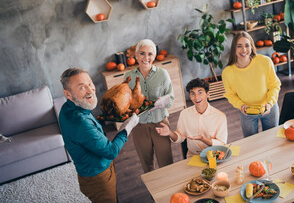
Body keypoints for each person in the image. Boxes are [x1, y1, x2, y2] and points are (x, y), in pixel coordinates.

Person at [59, 68, 139, 203]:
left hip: (89, 173)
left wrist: (104, 118)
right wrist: (127, 127)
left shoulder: (68, 108)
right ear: (68, 93)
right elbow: (111, 151)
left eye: (90, 83)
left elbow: (87, 131)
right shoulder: (80, 123)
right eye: (82, 87)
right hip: (98, 178)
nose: (90, 90)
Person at [124, 39, 174, 173]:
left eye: (150, 54)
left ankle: (170, 193)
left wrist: (162, 102)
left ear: (155, 56)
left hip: (160, 124)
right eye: (142, 53)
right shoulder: (129, 76)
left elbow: (171, 99)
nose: (146, 58)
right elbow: (126, 101)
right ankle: (154, 194)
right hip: (139, 127)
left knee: (167, 164)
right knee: (147, 167)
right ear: (136, 55)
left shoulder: (162, 74)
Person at [222, 31, 281, 137]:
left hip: (269, 108)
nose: (244, 50)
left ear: (251, 46)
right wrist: (240, 105)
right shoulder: (228, 72)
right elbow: (230, 94)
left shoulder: (265, 61)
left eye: (247, 45)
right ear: (234, 49)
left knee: (271, 139)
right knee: (251, 143)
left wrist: (270, 103)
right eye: (239, 46)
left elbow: (275, 85)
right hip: (247, 112)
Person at [155, 78, 227, 158]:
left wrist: (203, 139)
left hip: (214, 156)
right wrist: (170, 133)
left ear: (208, 94)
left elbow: (222, 144)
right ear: (190, 96)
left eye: (200, 93)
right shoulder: (184, 114)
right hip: (193, 157)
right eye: (193, 94)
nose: (196, 97)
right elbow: (180, 137)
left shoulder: (220, 116)